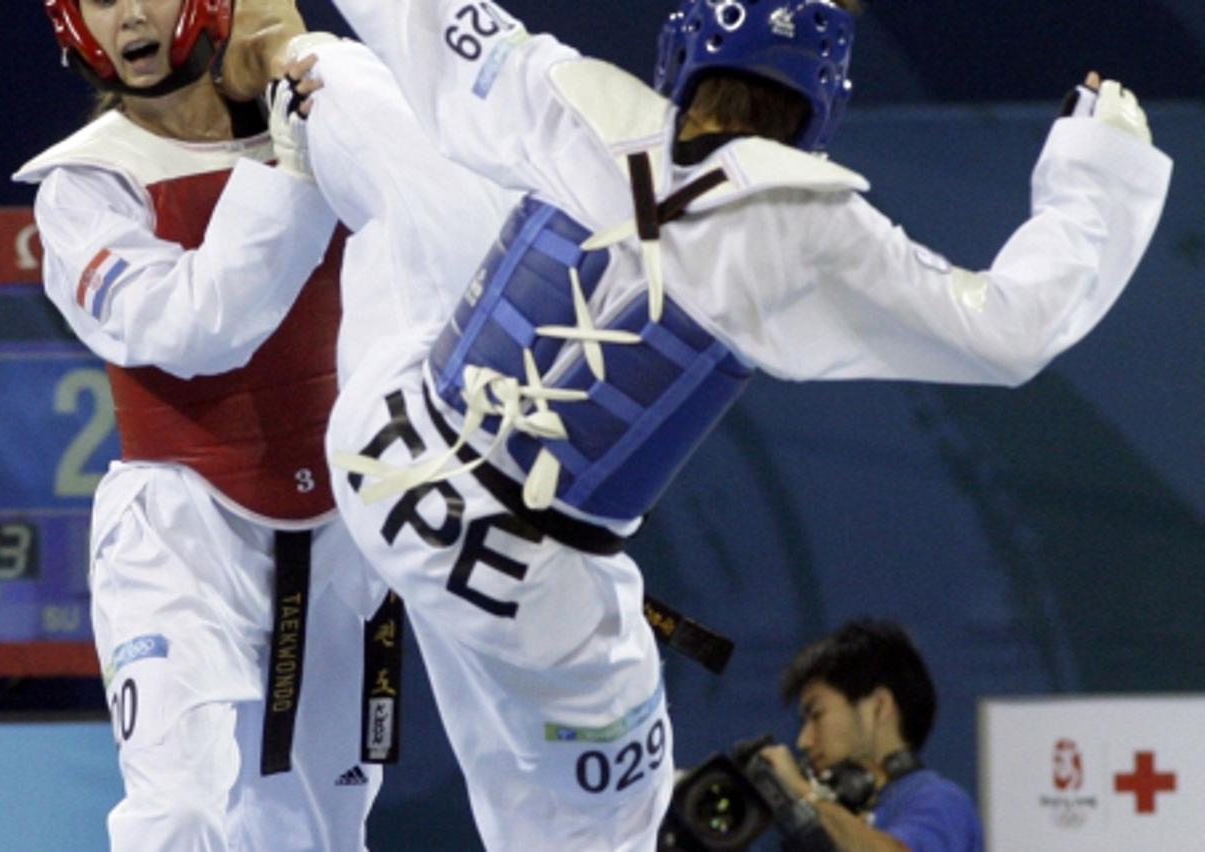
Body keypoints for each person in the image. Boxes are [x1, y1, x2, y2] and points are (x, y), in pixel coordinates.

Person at [300, 0, 1171, 849]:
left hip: (387, 445)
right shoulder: (806, 230)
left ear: (682, 54)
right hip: (515, 579)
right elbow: (1007, 330)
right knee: (611, 828)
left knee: (404, 167)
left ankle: (280, 69)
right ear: (823, 105)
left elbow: (423, 18)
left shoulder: (575, 96)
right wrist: (1100, 168)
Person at [12, 1, 386, 849]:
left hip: (344, 535)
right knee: (176, 816)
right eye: (102, 0)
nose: (130, 17)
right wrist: (291, 167)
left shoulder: (332, 127)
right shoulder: (84, 188)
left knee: (319, 835)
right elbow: (197, 329)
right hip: (179, 535)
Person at [759, 619, 983, 851]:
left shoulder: (941, 801)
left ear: (879, 707)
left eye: (817, 715)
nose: (803, 741)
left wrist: (804, 794)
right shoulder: (836, 820)